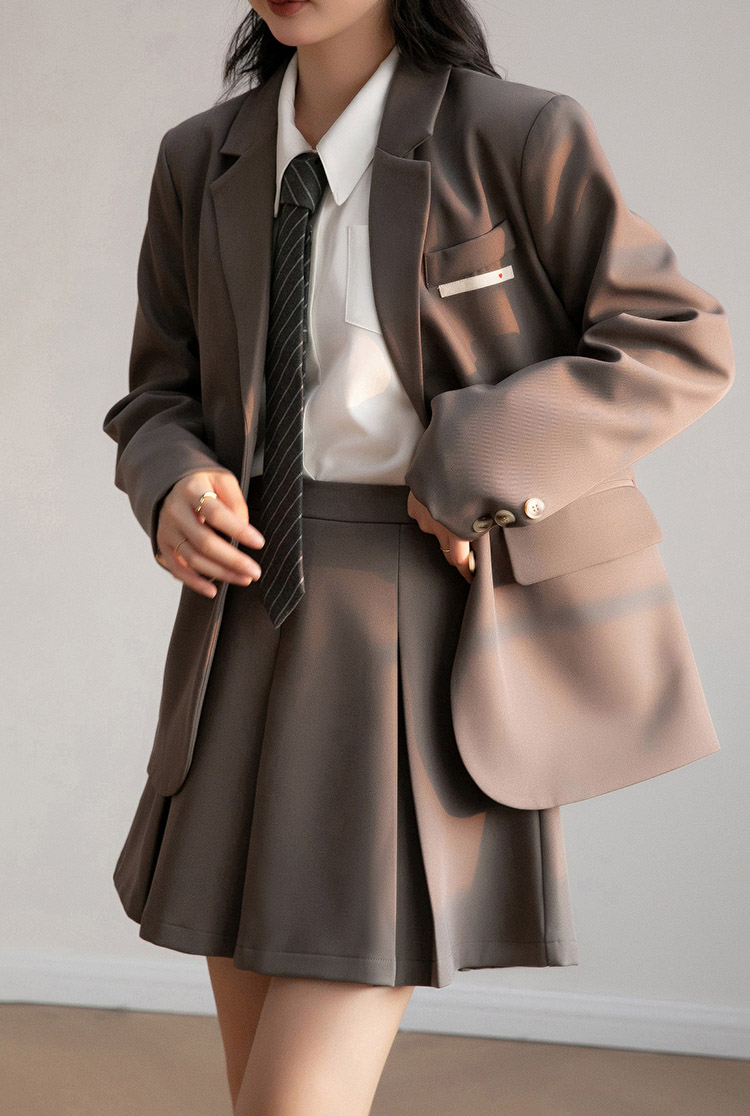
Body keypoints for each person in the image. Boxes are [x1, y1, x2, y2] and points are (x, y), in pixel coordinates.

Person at [102, 1, 735, 1114]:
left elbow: (676, 341)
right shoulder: (202, 157)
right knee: (261, 1094)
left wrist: (470, 461)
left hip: (417, 638)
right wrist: (171, 483)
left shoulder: (514, 132)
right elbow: (160, 389)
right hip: (243, 627)